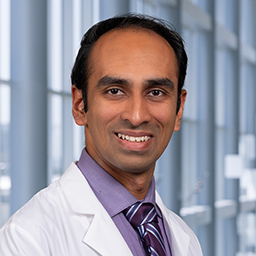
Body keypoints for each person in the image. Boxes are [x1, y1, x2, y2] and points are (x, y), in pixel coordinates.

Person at [0, 14, 203, 256]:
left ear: (179, 110)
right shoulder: (28, 239)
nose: (137, 116)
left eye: (156, 92)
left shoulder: (182, 237)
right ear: (79, 105)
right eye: (115, 91)